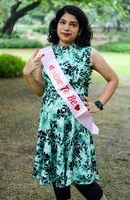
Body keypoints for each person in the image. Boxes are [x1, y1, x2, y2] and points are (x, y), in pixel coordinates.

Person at [23, 5, 119, 200]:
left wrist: (99, 103)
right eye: (63, 22)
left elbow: (113, 79)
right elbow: (40, 91)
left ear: (80, 29)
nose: (67, 28)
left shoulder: (89, 53)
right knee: (58, 176)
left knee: (83, 178)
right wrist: (27, 75)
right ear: (56, 25)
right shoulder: (45, 54)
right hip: (51, 125)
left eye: (73, 24)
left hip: (76, 124)